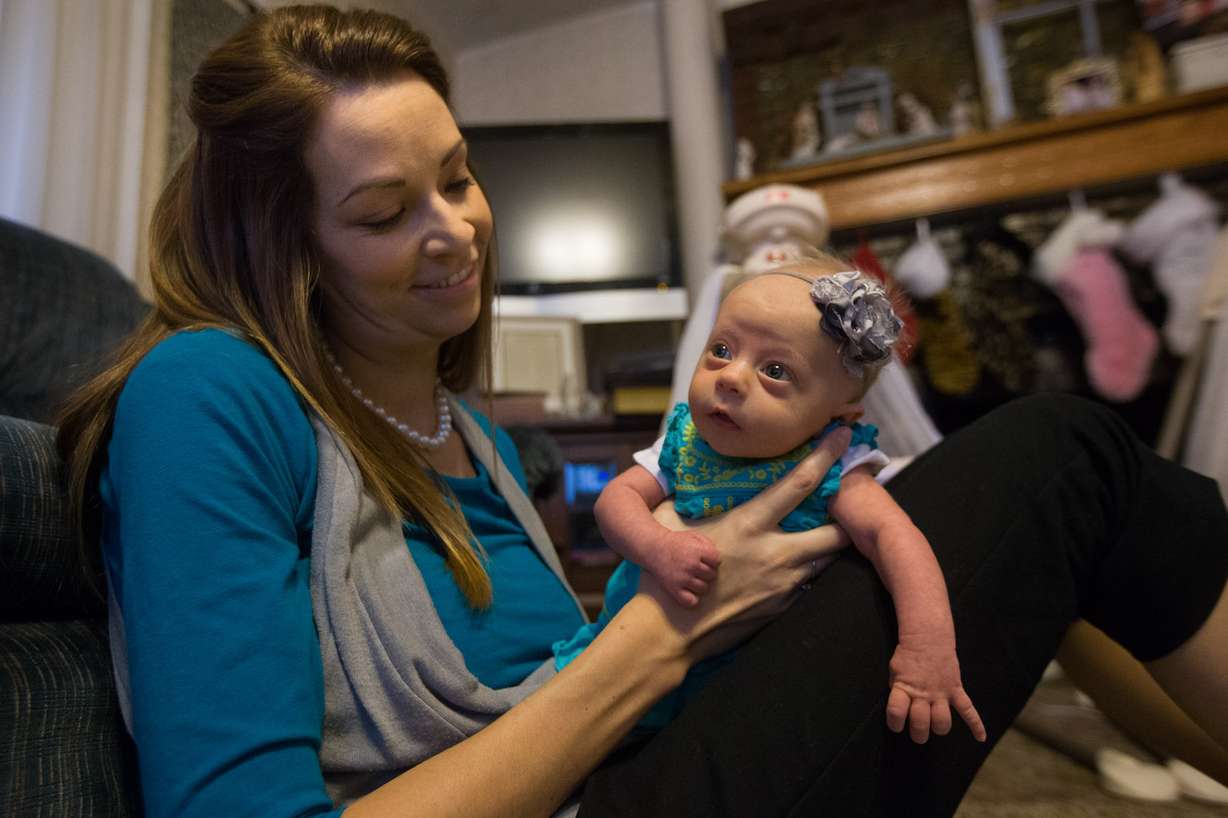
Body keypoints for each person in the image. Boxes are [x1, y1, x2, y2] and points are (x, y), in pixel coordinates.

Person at [52, 6, 1228, 817]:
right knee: (1062, 451)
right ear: (281, 242)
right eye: (383, 212)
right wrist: (665, 635)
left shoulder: (469, 433)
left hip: (631, 746)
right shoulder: (208, 390)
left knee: (1024, 531)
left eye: (458, 177)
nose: (457, 229)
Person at [555, 261, 985, 742]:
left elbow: (893, 537)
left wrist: (926, 648)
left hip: (753, 679)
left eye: (775, 371)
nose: (732, 377)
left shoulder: (835, 463)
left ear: (837, 414)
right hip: (623, 651)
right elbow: (617, 498)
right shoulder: (685, 438)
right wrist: (656, 545)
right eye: (721, 350)